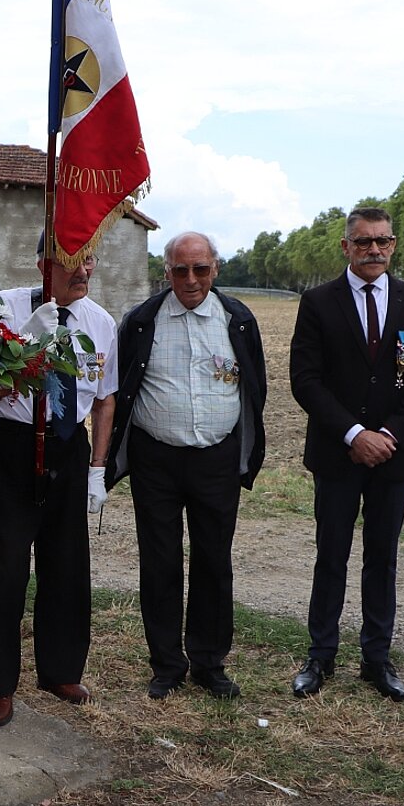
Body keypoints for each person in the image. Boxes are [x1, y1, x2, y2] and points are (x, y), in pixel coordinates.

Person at [288, 207, 404, 702]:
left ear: (393, 245)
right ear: (346, 247)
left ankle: (377, 659)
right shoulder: (317, 302)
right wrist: (354, 434)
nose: (374, 250)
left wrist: (388, 435)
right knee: (331, 556)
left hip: (394, 457)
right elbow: (305, 380)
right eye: (364, 242)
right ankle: (320, 656)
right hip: (338, 456)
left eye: (383, 242)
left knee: (382, 558)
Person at [104, 231, 267, 699]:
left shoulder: (238, 318)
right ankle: (166, 665)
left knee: (214, 561)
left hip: (216, 458)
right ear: (166, 272)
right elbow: (119, 389)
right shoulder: (142, 321)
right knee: (160, 562)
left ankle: (209, 663)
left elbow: (255, 386)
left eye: (200, 269)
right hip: (156, 459)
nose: (191, 279)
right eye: (180, 270)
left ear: (216, 269)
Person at [0, 235, 118, 727]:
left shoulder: (100, 323)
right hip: (11, 446)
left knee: (66, 563)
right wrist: (26, 349)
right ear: (42, 265)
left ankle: (59, 670)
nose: (84, 272)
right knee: (6, 566)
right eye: (71, 262)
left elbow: (104, 399)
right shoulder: (3, 309)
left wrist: (97, 467)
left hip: (67, 446)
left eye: (89, 261)